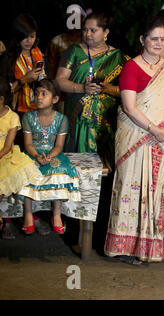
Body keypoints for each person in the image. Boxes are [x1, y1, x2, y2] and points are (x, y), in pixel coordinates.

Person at [104, 16, 164, 265]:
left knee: (159, 191)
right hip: (136, 137)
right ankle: (126, 246)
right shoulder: (131, 67)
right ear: (143, 40)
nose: (159, 43)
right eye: (154, 38)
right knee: (131, 189)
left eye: (162, 39)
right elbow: (129, 108)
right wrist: (154, 128)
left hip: (161, 139)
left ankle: (150, 246)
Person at [55, 12, 128, 164]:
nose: (87, 34)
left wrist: (107, 89)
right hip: (77, 117)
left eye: (93, 30)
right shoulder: (74, 51)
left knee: (105, 164)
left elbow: (128, 90)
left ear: (106, 32)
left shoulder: (118, 57)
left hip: (106, 120)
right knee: (77, 162)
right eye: (85, 30)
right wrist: (82, 88)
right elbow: (60, 81)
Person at [17, 79, 81, 235]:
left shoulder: (61, 119)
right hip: (34, 153)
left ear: (55, 99)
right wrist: (37, 156)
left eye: (44, 94)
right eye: (37, 93)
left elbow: (59, 146)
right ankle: (28, 213)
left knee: (60, 169)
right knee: (25, 170)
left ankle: (57, 214)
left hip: (54, 153)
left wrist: (49, 156)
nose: (39, 97)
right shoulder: (28, 118)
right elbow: (28, 145)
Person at [0, 77, 42, 239]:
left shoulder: (12, 117)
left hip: (5, 154)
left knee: (3, 178)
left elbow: (7, 147)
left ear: (2, 99)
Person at [0, 14, 47, 115]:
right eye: (24, 37)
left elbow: (49, 85)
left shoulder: (40, 55)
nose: (29, 41)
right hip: (15, 111)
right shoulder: (8, 58)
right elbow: (4, 91)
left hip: (39, 109)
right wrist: (23, 80)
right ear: (17, 36)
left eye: (32, 36)